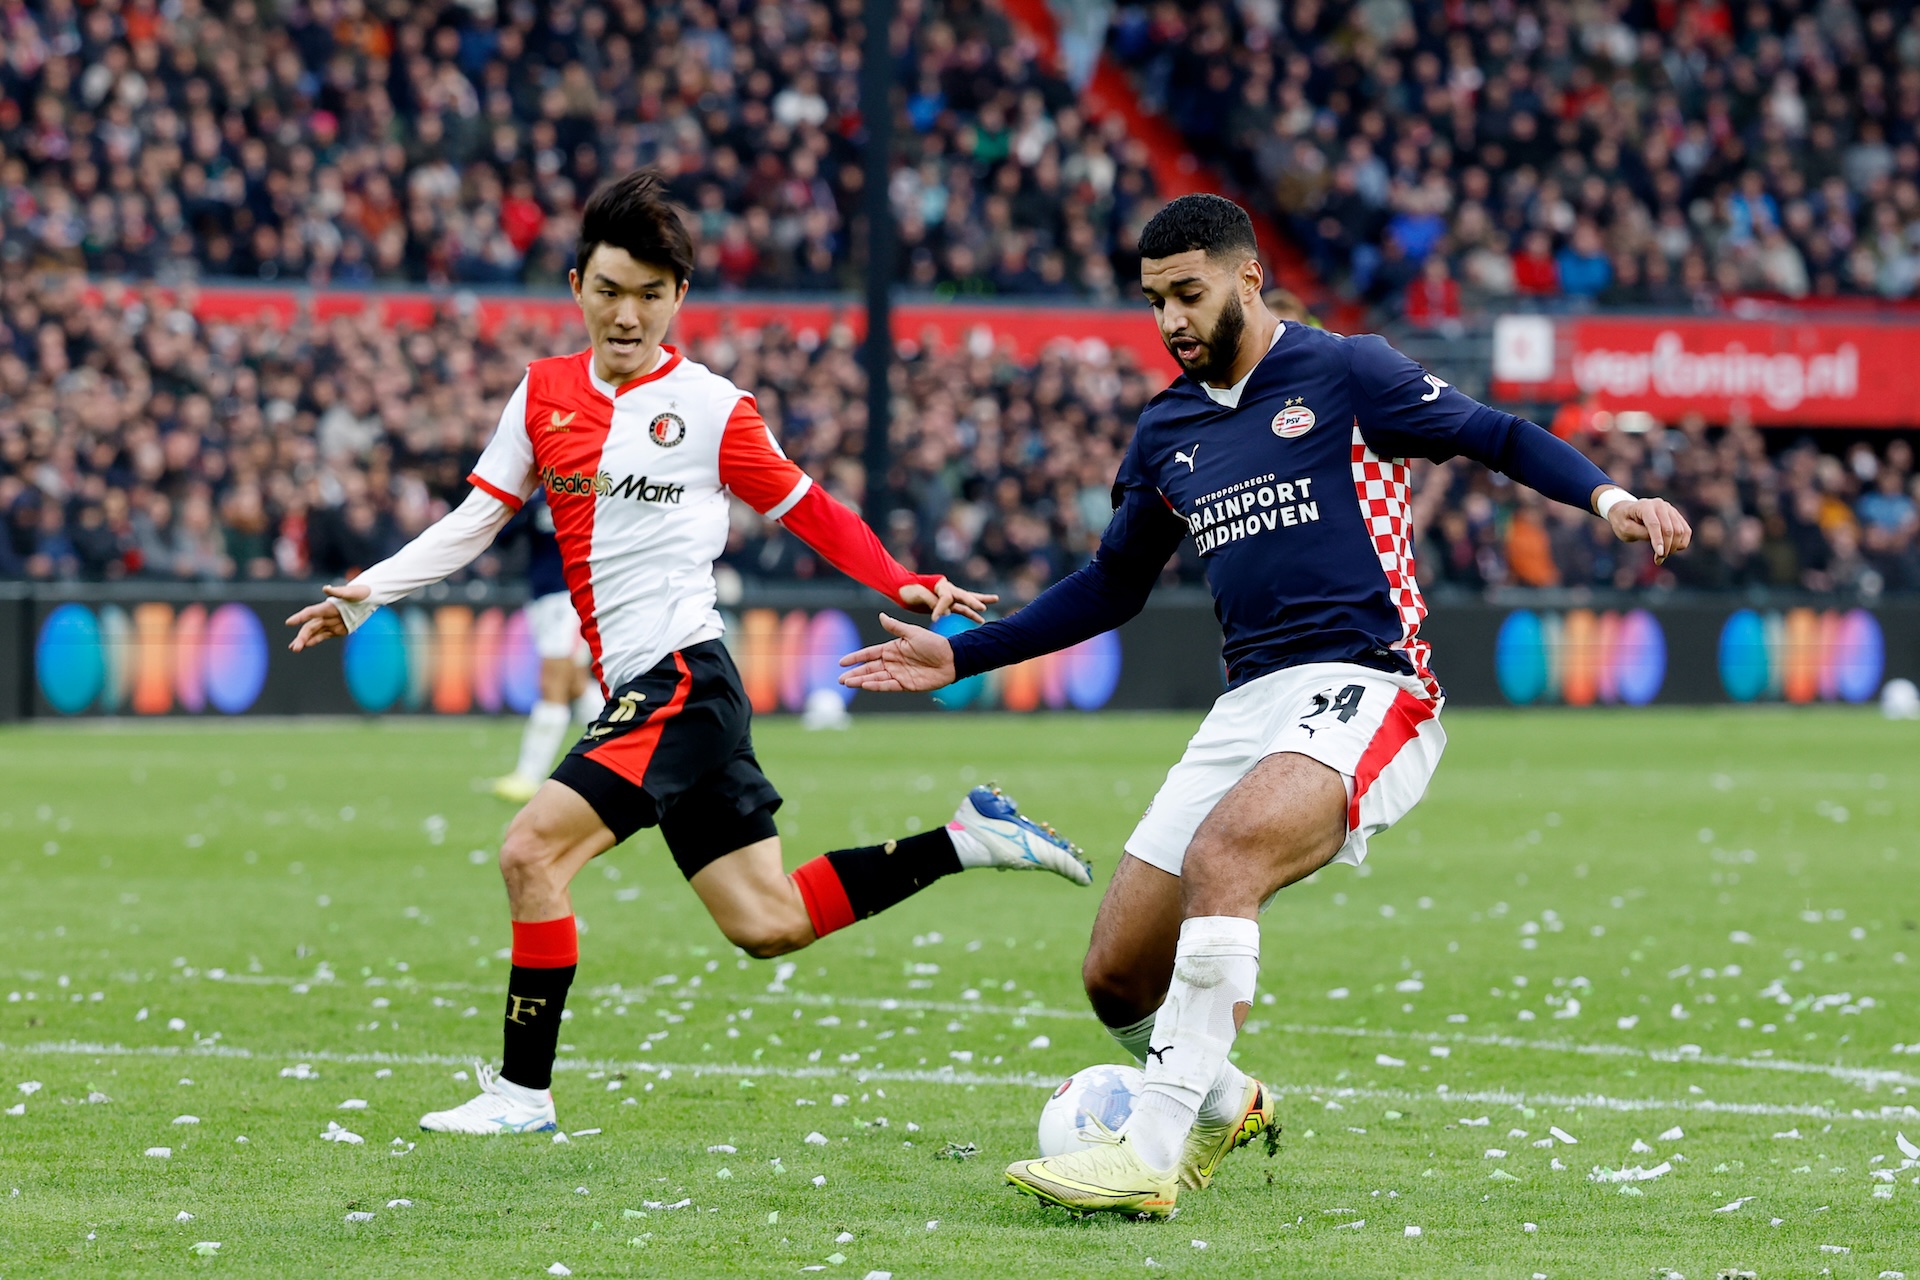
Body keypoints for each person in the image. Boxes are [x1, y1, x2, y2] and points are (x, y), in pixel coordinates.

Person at [840, 193, 1691, 1216]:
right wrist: (964, 653)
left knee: (1226, 857)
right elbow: (1113, 585)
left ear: (1248, 277)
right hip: (1247, 703)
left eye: (1187, 294)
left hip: (1372, 682)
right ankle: (1223, 1100)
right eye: (1155, 301)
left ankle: (1147, 1153)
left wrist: (1612, 500)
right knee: (1116, 975)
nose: (1171, 320)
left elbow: (1495, 434)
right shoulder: (1165, 430)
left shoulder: (1346, 370)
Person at [286, 169, 1093, 1136]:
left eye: (651, 296)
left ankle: (520, 1096)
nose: (628, 316)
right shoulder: (540, 395)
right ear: (578, 283)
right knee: (768, 923)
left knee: (530, 850)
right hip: (670, 696)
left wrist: (907, 583)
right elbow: (475, 521)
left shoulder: (711, 407)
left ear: (679, 298)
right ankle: (969, 837)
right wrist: (370, 593)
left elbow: (808, 506)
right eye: (611, 290)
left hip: (680, 681)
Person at [490, 492, 605, 804]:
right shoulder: (538, 499)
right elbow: (503, 536)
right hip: (542, 596)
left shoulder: (591, 489)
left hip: (570, 596)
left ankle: (528, 775)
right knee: (576, 686)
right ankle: (624, 750)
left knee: (552, 684)